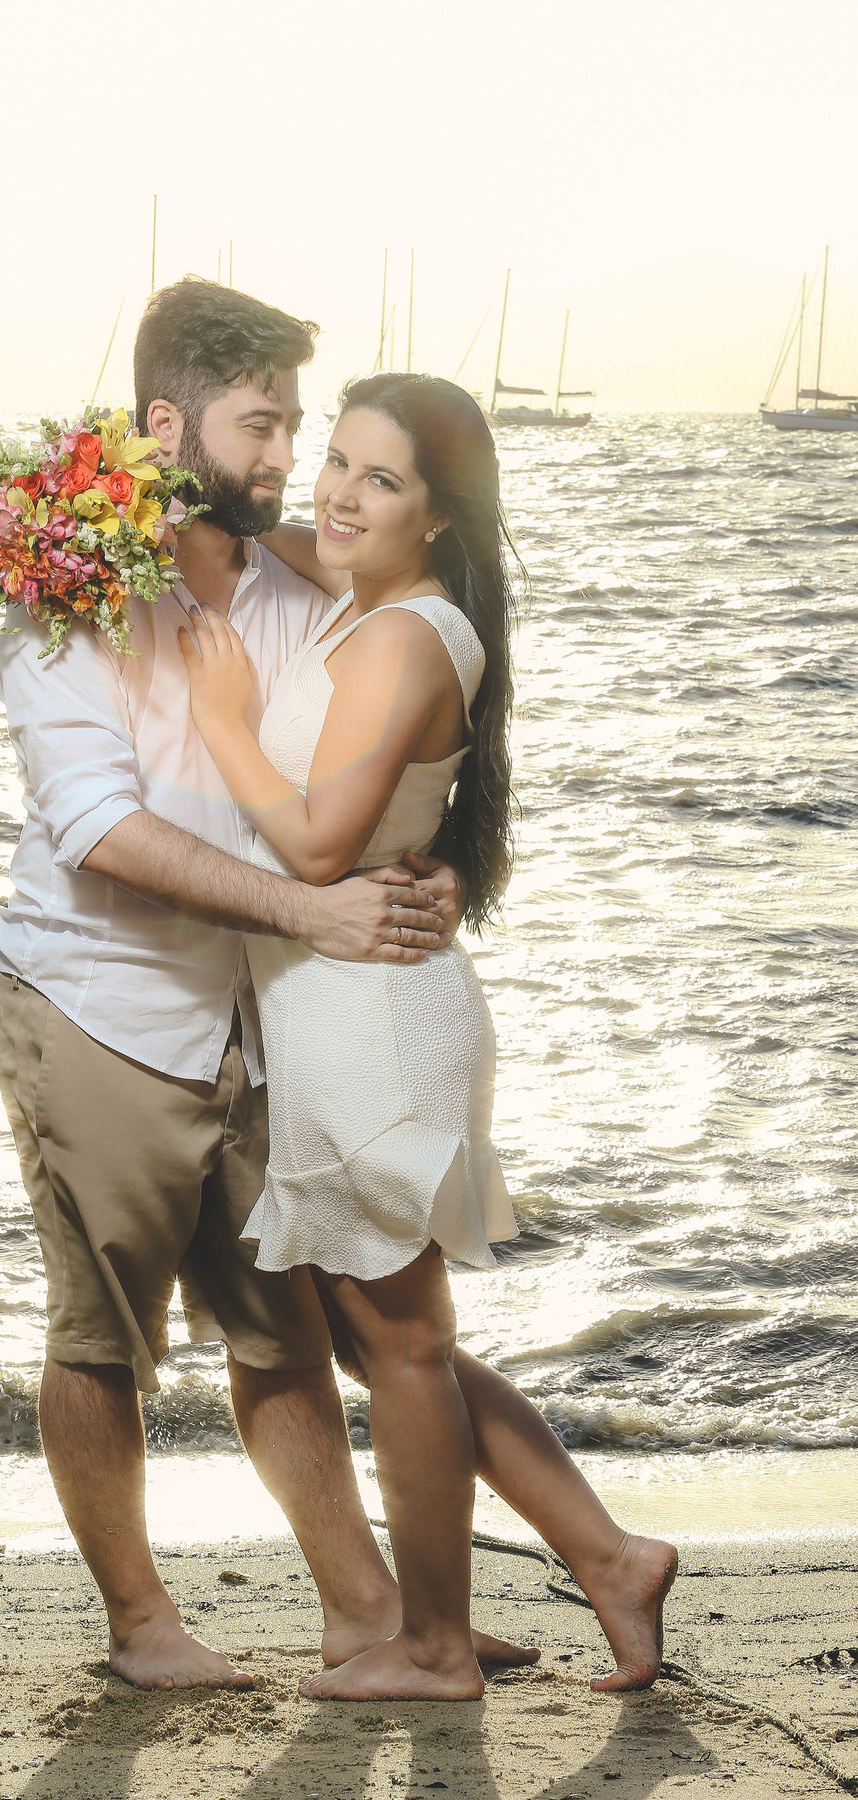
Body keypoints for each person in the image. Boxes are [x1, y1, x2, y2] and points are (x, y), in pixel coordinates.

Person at [0, 280, 533, 1692]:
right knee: (104, 1342)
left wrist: (435, 869)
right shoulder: (70, 609)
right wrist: (311, 905)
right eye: (266, 426)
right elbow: (99, 828)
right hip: (101, 1012)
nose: (293, 459)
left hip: (268, 1026)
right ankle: (140, 1626)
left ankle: (376, 1616)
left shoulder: (300, 585)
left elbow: (407, 719)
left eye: (301, 426)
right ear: (169, 424)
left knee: (281, 1336)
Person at [178, 370, 679, 1700]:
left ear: (440, 514)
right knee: (398, 1341)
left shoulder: (404, 637)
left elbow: (319, 841)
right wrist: (169, 512)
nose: (338, 492)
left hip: (372, 1024)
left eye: (379, 478)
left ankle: (439, 1647)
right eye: (334, 460)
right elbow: (241, 533)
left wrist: (225, 720)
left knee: (397, 1344)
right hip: (342, 1014)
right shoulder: (371, 606)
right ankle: (610, 1559)